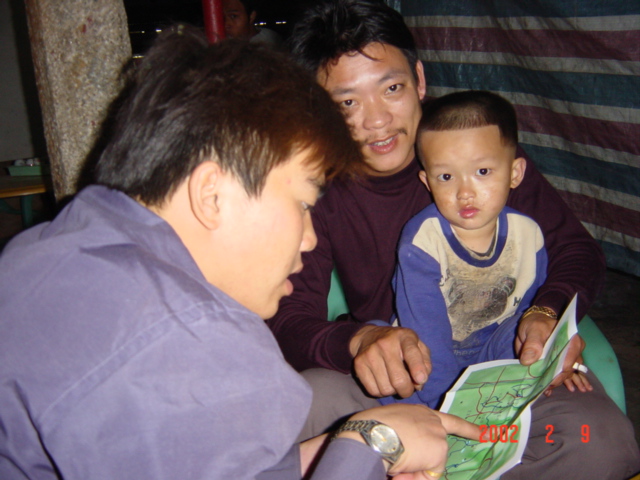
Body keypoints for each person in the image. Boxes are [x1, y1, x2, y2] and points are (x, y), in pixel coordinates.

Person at [0, 26, 480, 479]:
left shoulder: (58, 244)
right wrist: (377, 442)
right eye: (302, 204)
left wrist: (334, 451)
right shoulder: (191, 337)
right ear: (213, 194)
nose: (310, 237)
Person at [268, 0, 640, 478]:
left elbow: (575, 250)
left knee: (600, 444)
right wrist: (359, 339)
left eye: (392, 88)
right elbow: (288, 319)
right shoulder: (314, 191)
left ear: (419, 80)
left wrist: (549, 316)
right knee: (300, 414)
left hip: (508, 376)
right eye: (347, 102)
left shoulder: (480, 151)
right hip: (390, 387)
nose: (376, 120)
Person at [382, 90, 556, 409]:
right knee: (394, 369)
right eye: (446, 176)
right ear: (427, 181)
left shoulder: (528, 235)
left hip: (489, 351)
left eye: (483, 172)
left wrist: (549, 350)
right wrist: (447, 408)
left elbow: (527, 312)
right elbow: (426, 332)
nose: (464, 192)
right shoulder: (423, 241)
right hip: (427, 360)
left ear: (515, 173)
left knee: (528, 338)